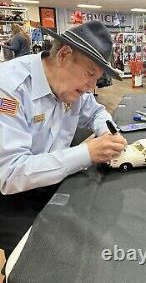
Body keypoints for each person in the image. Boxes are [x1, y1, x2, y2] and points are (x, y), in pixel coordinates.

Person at [0, 20, 127, 257]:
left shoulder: (73, 86)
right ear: (64, 54)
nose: (91, 87)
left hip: (55, 181)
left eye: (96, 78)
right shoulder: (9, 88)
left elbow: (97, 112)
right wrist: (87, 153)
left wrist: (107, 130)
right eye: (90, 74)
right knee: (48, 259)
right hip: (12, 197)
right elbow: (10, 174)